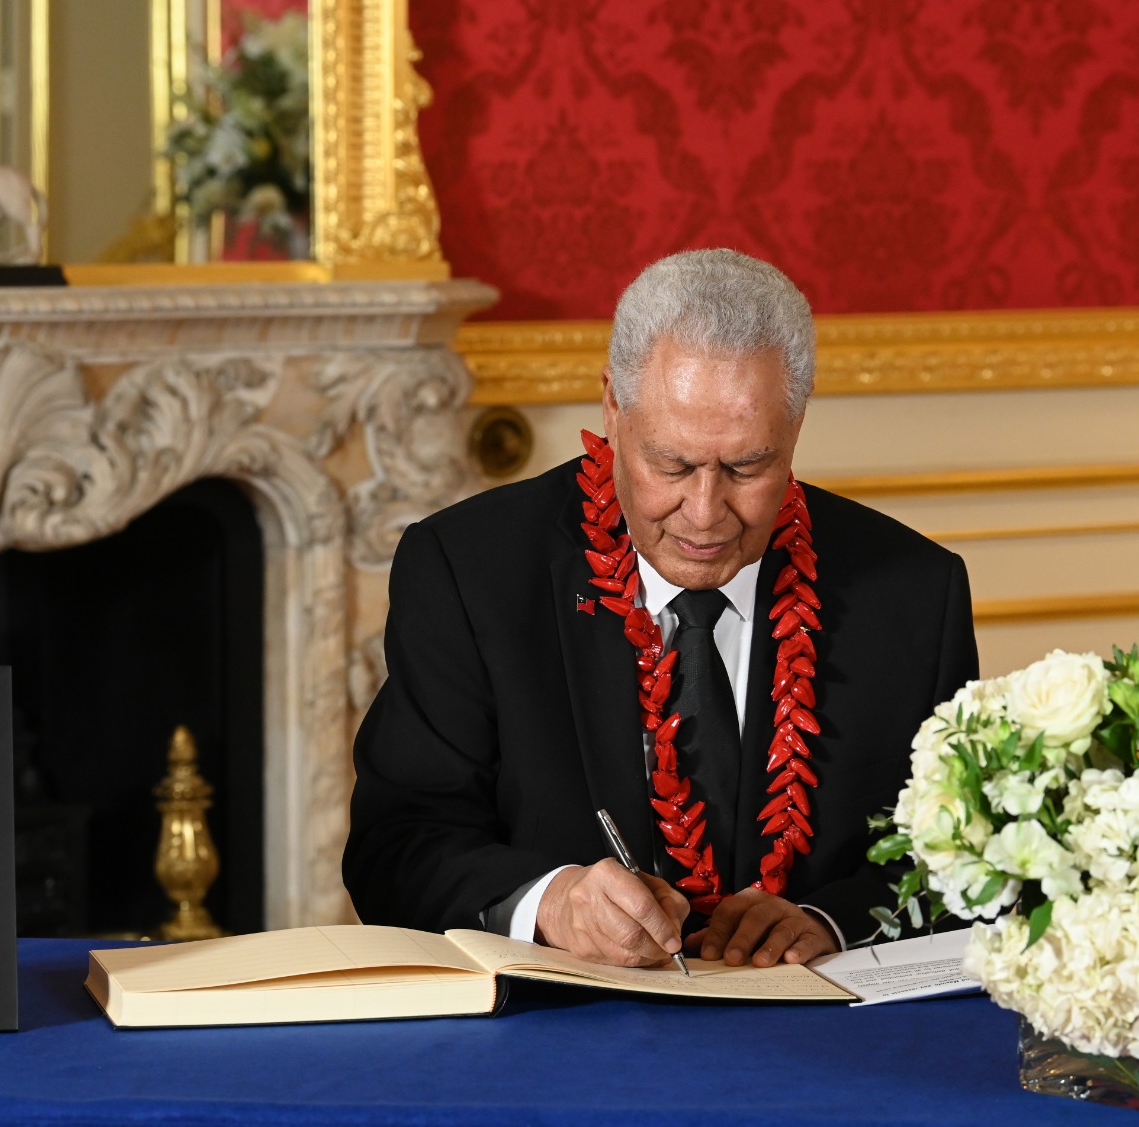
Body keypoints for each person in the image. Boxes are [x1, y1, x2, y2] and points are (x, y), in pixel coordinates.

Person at [344, 249, 978, 970]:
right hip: (566, 1042)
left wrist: (832, 920)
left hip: (822, 1039)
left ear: (796, 425)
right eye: (671, 464)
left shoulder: (914, 593)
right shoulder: (469, 571)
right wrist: (549, 903)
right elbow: (394, 847)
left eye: (747, 467)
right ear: (614, 405)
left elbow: (968, 858)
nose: (705, 513)